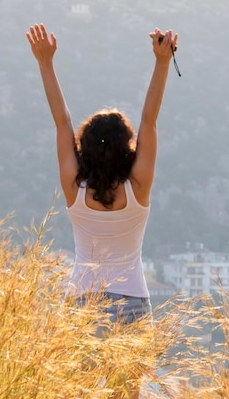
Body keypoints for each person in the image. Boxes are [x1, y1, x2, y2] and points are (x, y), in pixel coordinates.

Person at [26, 23, 178, 399]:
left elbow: (61, 120)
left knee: (76, 391)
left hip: (83, 303)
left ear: (85, 148)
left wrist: (46, 63)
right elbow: (149, 121)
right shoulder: (137, 188)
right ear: (129, 149)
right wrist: (162, 62)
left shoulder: (74, 189)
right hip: (133, 304)